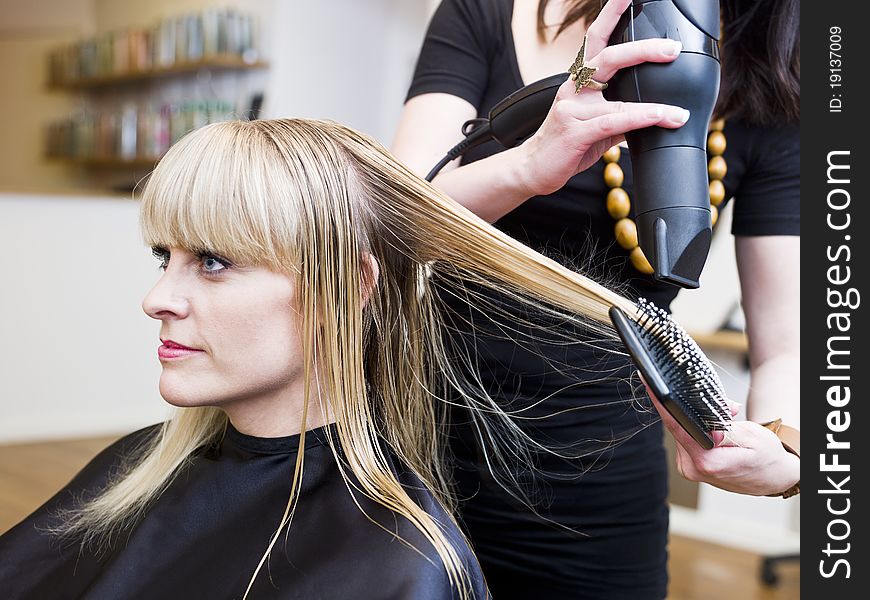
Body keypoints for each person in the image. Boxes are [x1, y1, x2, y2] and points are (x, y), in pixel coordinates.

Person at [0, 117, 666, 599]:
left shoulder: (399, 565)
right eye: (164, 258)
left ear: (349, 284)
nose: (157, 299)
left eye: (213, 261)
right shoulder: (134, 468)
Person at [391, 0, 800, 597]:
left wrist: (786, 457)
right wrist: (528, 166)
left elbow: (784, 349)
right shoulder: (483, 13)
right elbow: (394, 220)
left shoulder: (770, 88)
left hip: (596, 487)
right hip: (411, 452)